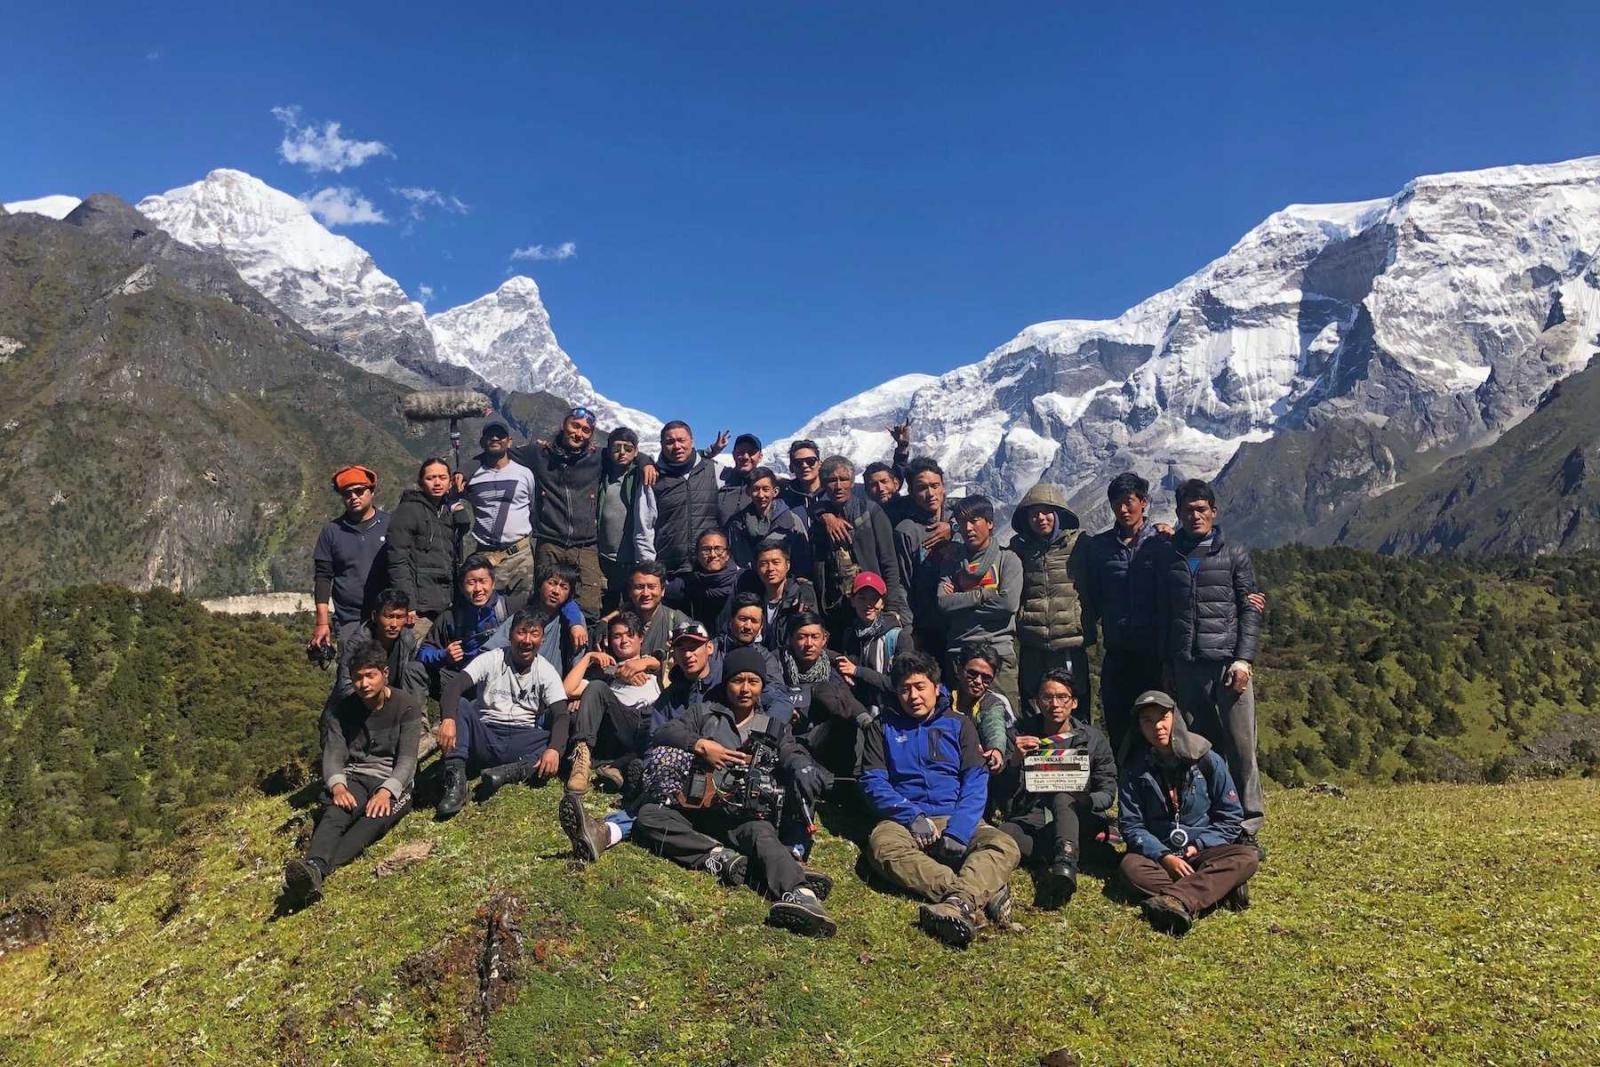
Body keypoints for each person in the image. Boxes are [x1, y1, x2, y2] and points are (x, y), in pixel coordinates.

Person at [571, 646, 837, 936]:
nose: (745, 689)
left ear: (762, 686)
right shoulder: (705, 713)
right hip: (696, 808)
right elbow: (664, 733)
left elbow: (790, 751)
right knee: (649, 817)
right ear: (727, 683)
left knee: (762, 836)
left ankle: (803, 897)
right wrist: (700, 745)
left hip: (743, 815)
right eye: (738, 681)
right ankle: (720, 858)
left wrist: (801, 766)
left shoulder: (771, 726)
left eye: (753, 682)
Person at [859, 652, 1021, 949]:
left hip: (956, 814)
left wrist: (959, 830)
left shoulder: (960, 725)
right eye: (905, 689)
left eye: (920, 687)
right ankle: (969, 895)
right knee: (881, 848)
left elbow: (975, 779)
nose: (913, 696)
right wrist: (910, 815)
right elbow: (873, 782)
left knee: (1003, 844)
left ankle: (958, 901)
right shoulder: (883, 727)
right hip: (904, 819)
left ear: (936, 687)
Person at [1156, 478, 1266, 850]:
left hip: (1228, 668)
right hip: (1187, 666)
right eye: (1188, 509)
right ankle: (1212, 819)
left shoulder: (1234, 553)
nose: (1195, 515)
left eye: (1201, 509)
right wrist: (1169, 665)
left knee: (1241, 746)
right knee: (1200, 748)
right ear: (1178, 514)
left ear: (1213, 512)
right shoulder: (1169, 555)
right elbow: (1167, 615)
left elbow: (1250, 609)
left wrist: (1243, 659)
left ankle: (1248, 825)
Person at [284, 640, 422, 907]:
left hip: (392, 781)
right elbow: (334, 753)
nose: (364, 684)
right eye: (357, 677)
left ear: (385, 674)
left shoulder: (406, 706)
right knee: (337, 812)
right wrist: (338, 786)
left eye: (370, 675)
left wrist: (386, 791)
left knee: (372, 822)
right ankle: (313, 866)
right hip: (356, 774)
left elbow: (407, 759)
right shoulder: (341, 709)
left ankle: (318, 871)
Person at [1118, 691, 1257, 935]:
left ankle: (1176, 900)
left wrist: (1200, 844)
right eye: (1147, 721)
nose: (1157, 727)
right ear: (1139, 727)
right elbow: (1131, 825)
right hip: (1160, 852)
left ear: (1176, 718)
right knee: (1131, 869)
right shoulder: (1134, 769)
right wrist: (1164, 856)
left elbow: (1230, 816)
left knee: (1247, 857)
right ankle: (1217, 889)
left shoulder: (1206, 759)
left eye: (1163, 717)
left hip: (1204, 849)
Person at [514, 406, 653, 619]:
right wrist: (462, 472)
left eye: (586, 430)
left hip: (586, 545)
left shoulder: (598, 456)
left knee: (589, 607)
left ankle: (584, 650)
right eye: (575, 426)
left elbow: (630, 452)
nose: (579, 433)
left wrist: (646, 463)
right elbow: (498, 454)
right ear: (564, 424)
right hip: (549, 541)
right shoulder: (539, 453)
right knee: (545, 605)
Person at [998, 669, 1116, 906]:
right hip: (1033, 819)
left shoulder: (1093, 739)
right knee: (1005, 835)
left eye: (1062, 697)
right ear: (1037, 702)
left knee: (1064, 796)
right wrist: (1015, 762)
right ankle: (1071, 850)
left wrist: (1087, 800)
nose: (1055, 704)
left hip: (1078, 814)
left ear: (1074, 703)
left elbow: (1108, 790)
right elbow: (1002, 793)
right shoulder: (1019, 735)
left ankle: (1065, 865)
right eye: (1047, 697)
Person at [436, 611, 569, 817]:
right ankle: (456, 781)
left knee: (556, 741)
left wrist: (554, 750)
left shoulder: (546, 670)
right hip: (486, 734)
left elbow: (561, 714)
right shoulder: (491, 659)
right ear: (510, 634)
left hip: (521, 739)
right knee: (461, 705)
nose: (527, 640)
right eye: (521, 632)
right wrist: (448, 719)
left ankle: (507, 774)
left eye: (534, 634)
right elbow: (455, 686)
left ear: (542, 640)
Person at [936, 495, 1023, 713]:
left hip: (998, 654)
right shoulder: (952, 562)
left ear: (990, 523)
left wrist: (962, 597)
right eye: (962, 522)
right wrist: (983, 595)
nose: (968, 528)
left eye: (975, 520)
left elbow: (1008, 604)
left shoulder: (1008, 559)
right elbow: (943, 604)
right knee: (959, 727)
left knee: (1003, 725)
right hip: (958, 654)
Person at [1008, 483, 1090, 704]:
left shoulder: (1080, 544)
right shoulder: (1019, 549)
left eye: (1047, 512)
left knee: (1072, 704)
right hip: (1032, 642)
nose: (1041, 518)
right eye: (1034, 514)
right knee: (1035, 704)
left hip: (1070, 643)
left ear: (1058, 514)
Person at [810, 455, 913, 632]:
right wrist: (824, 515)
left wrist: (892, 607)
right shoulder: (820, 520)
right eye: (832, 480)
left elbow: (889, 562)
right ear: (824, 484)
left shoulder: (871, 511)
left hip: (872, 601)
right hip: (835, 604)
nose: (838, 486)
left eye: (843, 479)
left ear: (851, 482)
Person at [564, 610, 662, 793]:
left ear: (641, 638)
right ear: (609, 641)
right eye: (617, 636)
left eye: (630, 635)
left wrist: (649, 662)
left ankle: (621, 767)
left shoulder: (655, 666)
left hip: (652, 725)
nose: (624, 640)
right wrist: (588, 658)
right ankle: (581, 762)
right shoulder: (605, 672)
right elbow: (567, 690)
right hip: (621, 723)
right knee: (596, 687)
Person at [379, 456, 471, 638]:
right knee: (415, 660)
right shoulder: (408, 511)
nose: (437, 483)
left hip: (446, 604)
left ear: (450, 481)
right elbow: (397, 561)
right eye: (430, 478)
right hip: (419, 609)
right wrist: (408, 603)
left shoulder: (447, 511)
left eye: (442, 477)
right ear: (421, 482)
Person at [309, 464, 391, 654]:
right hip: (349, 620)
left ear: (372, 491)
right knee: (350, 677)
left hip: (388, 617)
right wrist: (322, 622)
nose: (353, 497)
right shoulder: (332, 531)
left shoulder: (391, 525)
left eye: (359, 491)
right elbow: (322, 577)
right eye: (347, 494)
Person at [783, 611, 872, 781]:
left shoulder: (834, 668)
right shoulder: (777, 663)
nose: (809, 644)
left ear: (824, 639)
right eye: (802, 637)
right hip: (789, 737)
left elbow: (847, 700)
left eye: (815, 637)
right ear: (791, 639)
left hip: (822, 738)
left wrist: (867, 722)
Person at [418, 555, 523, 695]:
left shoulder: (510, 608)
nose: (478, 588)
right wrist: (444, 655)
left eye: (483, 581)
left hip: (501, 682)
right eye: (471, 582)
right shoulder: (451, 616)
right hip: (464, 680)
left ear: (493, 583)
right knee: (415, 670)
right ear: (462, 587)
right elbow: (424, 651)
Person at [894, 456, 961, 658]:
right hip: (927, 622)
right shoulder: (906, 531)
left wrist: (954, 528)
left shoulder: (961, 517)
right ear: (912, 493)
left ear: (943, 486)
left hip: (963, 619)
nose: (930, 493)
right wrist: (908, 627)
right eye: (922, 488)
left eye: (935, 485)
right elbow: (903, 583)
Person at [463, 423, 537, 596]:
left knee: (521, 612)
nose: (495, 438)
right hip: (485, 555)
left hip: (520, 556)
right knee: (486, 612)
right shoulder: (471, 476)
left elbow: (532, 507)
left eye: (500, 435)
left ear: (509, 442)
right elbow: (451, 498)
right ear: (482, 442)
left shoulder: (525, 474)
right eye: (490, 435)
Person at [325, 589, 429, 709]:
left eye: (399, 617)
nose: (394, 624)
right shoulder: (358, 643)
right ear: (375, 616)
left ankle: (416, 720)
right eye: (389, 617)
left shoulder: (407, 640)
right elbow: (345, 685)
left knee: (416, 669)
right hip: (363, 704)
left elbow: (413, 681)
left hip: (395, 703)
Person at [827, 572, 907, 719]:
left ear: (883, 603)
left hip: (893, 715)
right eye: (862, 598)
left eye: (874, 599)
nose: (868, 604)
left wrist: (857, 671)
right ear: (853, 601)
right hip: (859, 712)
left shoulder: (899, 637)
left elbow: (901, 685)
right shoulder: (850, 634)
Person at [597, 427, 658, 613]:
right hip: (604, 560)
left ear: (636, 451)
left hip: (632, 560)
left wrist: (645, 462)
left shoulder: (641, 475)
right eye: (616, 448)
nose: (622, 453)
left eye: (628, 448)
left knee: (630, 611)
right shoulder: (601, 474)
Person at [651, 421, 721, 578]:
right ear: (662, 445)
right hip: (669, 570)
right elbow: (645, 526)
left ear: (692, 441)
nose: (676, 446)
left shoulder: (714, 470)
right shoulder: (653, 477)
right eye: (670, 442)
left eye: (681, 440)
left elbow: (749, 479)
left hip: (709, 568)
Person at [727, 541, 819, 651]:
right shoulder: (752, 598)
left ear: (787, 565)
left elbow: (814, 635)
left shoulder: (800, 596)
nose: (770, 568)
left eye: (776, 562)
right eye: (764, 563)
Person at [725, 467, 811, 575]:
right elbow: (737, 557)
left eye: (765, 489)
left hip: (787, 582)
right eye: (756, 489)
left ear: (775, 492)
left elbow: (804, 555)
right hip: (750, 581)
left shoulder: (791, 520)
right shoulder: (738, 523)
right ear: (748, 492)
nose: (761, 495)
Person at [951, 644, 1011, 780]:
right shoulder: (943, 699)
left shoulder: (993, 703)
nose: (978, 681)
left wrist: (996, 750)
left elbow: (995, 726)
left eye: (986, 678)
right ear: (959, 670)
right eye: (972, 674)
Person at [666, 529, 743, 630]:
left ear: (728, 554)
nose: (712, 555)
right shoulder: (686, 584)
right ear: (697, 554)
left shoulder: (743, 580)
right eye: (706, 549)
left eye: (718, 549)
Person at [528, 561, 590, 675]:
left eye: (564, 587)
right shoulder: (524, 614)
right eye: (552, 583)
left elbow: (577, 665)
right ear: (540, 585)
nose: (556, 591)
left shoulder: (573, 620)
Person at [625, 560, 689, 665]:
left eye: (651, 587)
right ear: (630, 591)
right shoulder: (617, 622)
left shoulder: (676, 620)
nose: (645, 593)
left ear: (662, 590)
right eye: (639, 587)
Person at [716, 432, 766, 524]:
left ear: (760, 457)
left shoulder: (767, 487)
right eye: (741, 452)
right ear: (733, 454)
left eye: (751, 453)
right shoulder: (720, 480)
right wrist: (713, 449)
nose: (745, 457)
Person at [779, 438, 824, 514]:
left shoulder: (833, 493)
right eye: (798, 462)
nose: (804, 465)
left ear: (820, 464)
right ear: (791, 468)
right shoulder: (783, 498)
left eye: (810, 461)